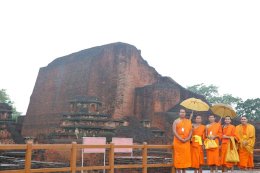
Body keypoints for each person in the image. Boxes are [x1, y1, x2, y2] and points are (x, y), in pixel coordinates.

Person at [172, 109, 192, 173]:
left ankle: (184, 171)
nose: (182, 113)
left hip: (186, 142)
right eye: (181, 112)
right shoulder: (176, 121)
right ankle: (178, 171)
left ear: (185, 113)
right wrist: (180, 138)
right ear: (179, 113)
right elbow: (174, 131)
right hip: (178, 142)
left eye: (183, 112)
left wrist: (188, 138)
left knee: (185, 157)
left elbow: (191, 131)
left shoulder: (188, 121)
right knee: (178, 157)